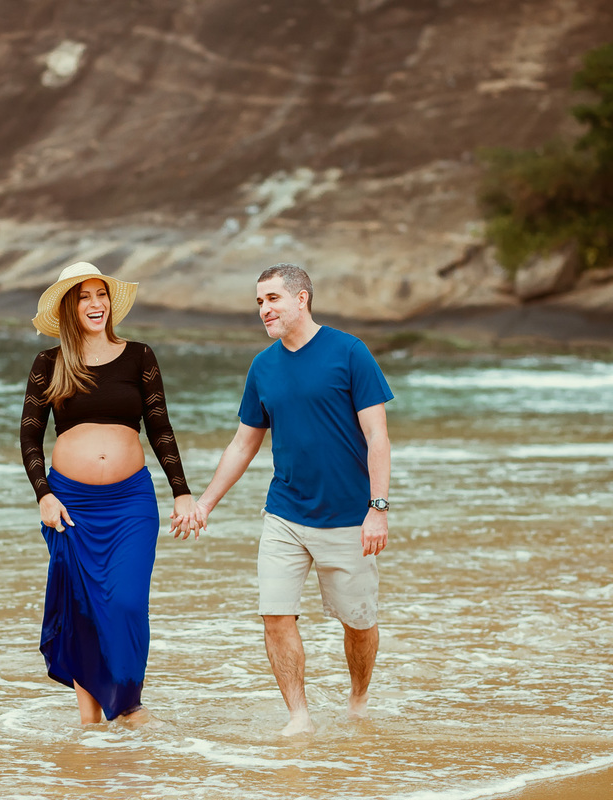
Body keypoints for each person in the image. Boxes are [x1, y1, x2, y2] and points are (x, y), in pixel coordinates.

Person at [174, 263, 393, 736]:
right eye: (259, 302)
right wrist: (206, 503)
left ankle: (358, 701)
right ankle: (300, 717)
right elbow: (243, 443)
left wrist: (378, 509)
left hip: (347, 518)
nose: (264, 310)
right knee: (275, 615)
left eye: (272, 299)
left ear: (302, 299)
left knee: (358, 623)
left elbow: (377, 436)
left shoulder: (349, 353)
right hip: (285, 515)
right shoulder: (263, 367)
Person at [20, 261, 198, 726]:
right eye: (84, 297)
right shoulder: (49, 364)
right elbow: (29, 438)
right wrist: (43, 494)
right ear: (67, 307)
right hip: (70, 503)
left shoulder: (139, 355)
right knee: (82, 607)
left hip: (130, 503)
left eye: (101, 295)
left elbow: (160, 428)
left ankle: (129, 704)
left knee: (125, 603)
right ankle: (90, 724)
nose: (95, 304)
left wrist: (182, 493)